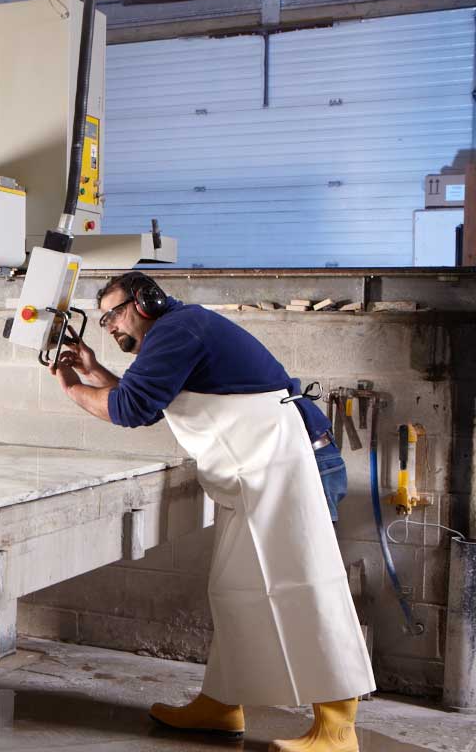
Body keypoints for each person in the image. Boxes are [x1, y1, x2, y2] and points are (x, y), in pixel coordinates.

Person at [51, 271, 374, 752]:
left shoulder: (177, 330)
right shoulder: (176, 333)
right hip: (259, 474)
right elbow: (153, 400)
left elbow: (132, 408)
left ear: (146, 301)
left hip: (293, 466)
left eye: (114, 314)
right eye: (103, 319)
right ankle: (221, 703)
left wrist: (71, 386)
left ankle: (337, 727)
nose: (109, 326)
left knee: (306, 582)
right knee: (237, 588)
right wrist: (95, 372)